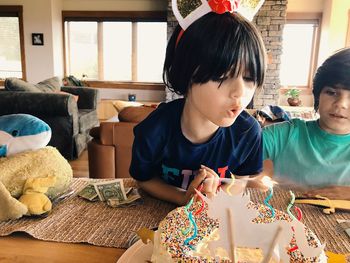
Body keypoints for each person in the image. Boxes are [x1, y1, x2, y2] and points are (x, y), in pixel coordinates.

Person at [129, 4, 267, 206]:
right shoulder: (155, 129)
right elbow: (144, 178)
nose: (240, 92)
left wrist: (218, 199)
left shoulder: (247, 132)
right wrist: (183, 198)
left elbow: (242, 179)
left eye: (249, 78)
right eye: (222, 76)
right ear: (186, 73)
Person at [263, 48, 350, 200]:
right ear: (318, 95)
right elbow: (235, 151)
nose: (341, 104)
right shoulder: (282, 135)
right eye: (331, 92)